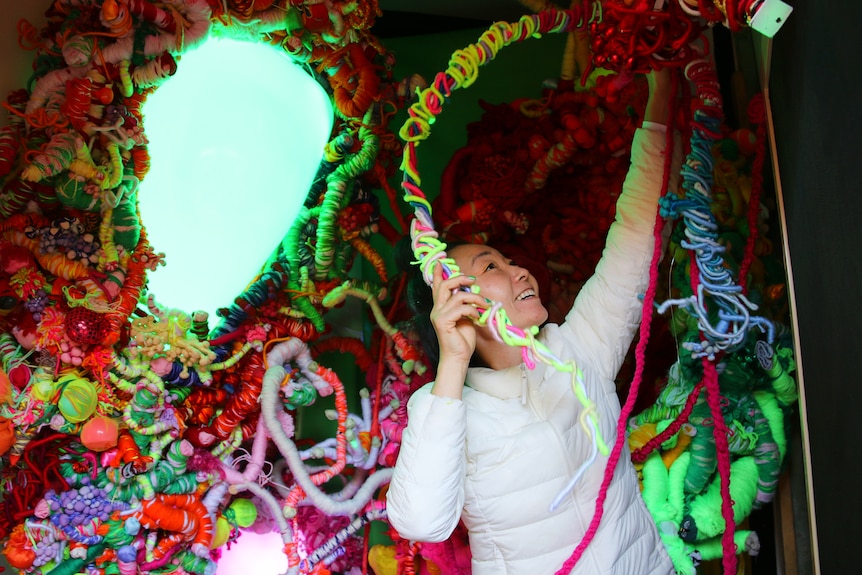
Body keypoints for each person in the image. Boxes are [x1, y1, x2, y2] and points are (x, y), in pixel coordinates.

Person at [387, 68, 680, 575]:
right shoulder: (443, 410)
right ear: (459, 300)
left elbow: (637, 234)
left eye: (507, 258)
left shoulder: (577, 349)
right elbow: (422, 523)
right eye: (491, 267)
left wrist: (662, 95)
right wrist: (452, 362)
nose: (518, 269)